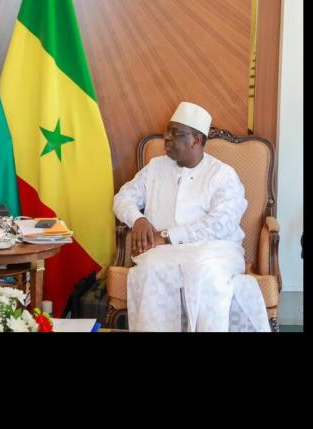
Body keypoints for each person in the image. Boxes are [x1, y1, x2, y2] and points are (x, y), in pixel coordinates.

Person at [112, 102, 270, 332]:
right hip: (164, 252)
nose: (166, 137)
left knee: (205, 273)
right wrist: (138, 219)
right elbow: (123, 197)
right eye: (168, 131)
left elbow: (222, 222)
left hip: (213, 251)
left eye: (176, 133)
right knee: (149, 271)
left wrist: (166, 236)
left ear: (196, 140)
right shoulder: (155, 167)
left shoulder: (222, 175)